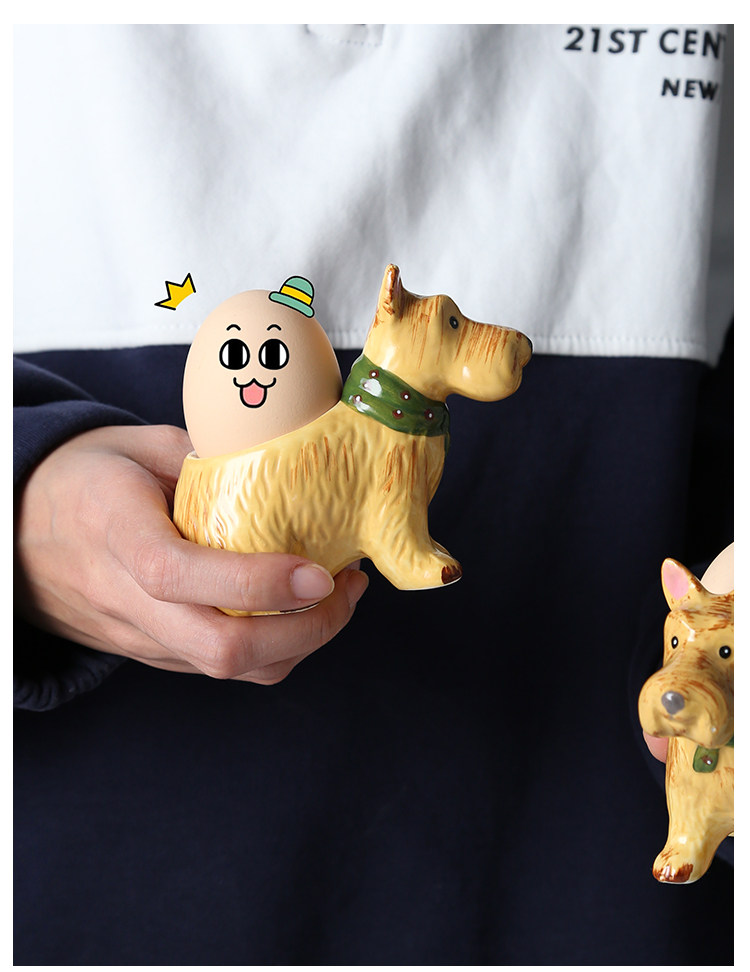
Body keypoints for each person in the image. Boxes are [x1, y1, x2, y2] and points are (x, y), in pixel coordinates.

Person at [14, 24, 733, 964]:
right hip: (108, 885)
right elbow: (383, 508)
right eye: (452, 327)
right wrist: (23, 496)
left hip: (568, 885)